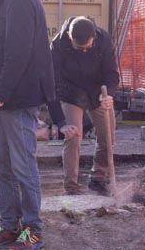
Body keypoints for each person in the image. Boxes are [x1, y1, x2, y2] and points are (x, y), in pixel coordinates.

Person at [0, 0, 78, 250]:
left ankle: (33, 230)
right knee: (3, 163)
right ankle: (10, 225)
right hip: (11, 99)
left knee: (22, 166)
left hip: (16, 99)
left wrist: (0, 92)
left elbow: (17, 53)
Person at [51, 15, 120, 196]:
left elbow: (112, 74)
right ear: (70, 38)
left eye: (87, 47)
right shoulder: (58, 45)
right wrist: (60, 119)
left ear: (94, 38)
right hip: (71, 94)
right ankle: (71, 185)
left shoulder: (104, 40)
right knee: (73, 136)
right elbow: (53, 81)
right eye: (79, 48)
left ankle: (97, 178)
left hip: (98, 93)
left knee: (108, 137)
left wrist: (109, 95)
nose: (84, 50)